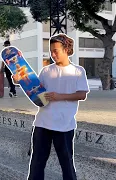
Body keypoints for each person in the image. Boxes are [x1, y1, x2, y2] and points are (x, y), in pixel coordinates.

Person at [12, 34, 89, 180]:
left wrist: (60, 96)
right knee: (36, 163)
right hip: (42, 123)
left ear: (66, 49)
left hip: (64, 124)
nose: (53, 54)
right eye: (51, 51)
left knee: (66, 163)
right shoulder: (46, 71)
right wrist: (19, 80)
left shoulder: (78, 71)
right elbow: (34, 90)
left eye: (56, 51)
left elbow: (82, 95)